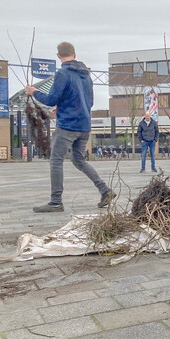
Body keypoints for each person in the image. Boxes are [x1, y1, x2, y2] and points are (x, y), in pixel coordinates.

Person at [24, 42, 114, 213]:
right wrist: (64, 106)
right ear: (74, 53)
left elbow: (51, 99)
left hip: (67, 125)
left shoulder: (62, 73)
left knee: (56, 160)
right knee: (79, 160)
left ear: (58, 56)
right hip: (84, 125)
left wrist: (33, 91)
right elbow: (89, 101)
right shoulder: (86, 75)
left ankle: (56, 201)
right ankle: (105, 190)